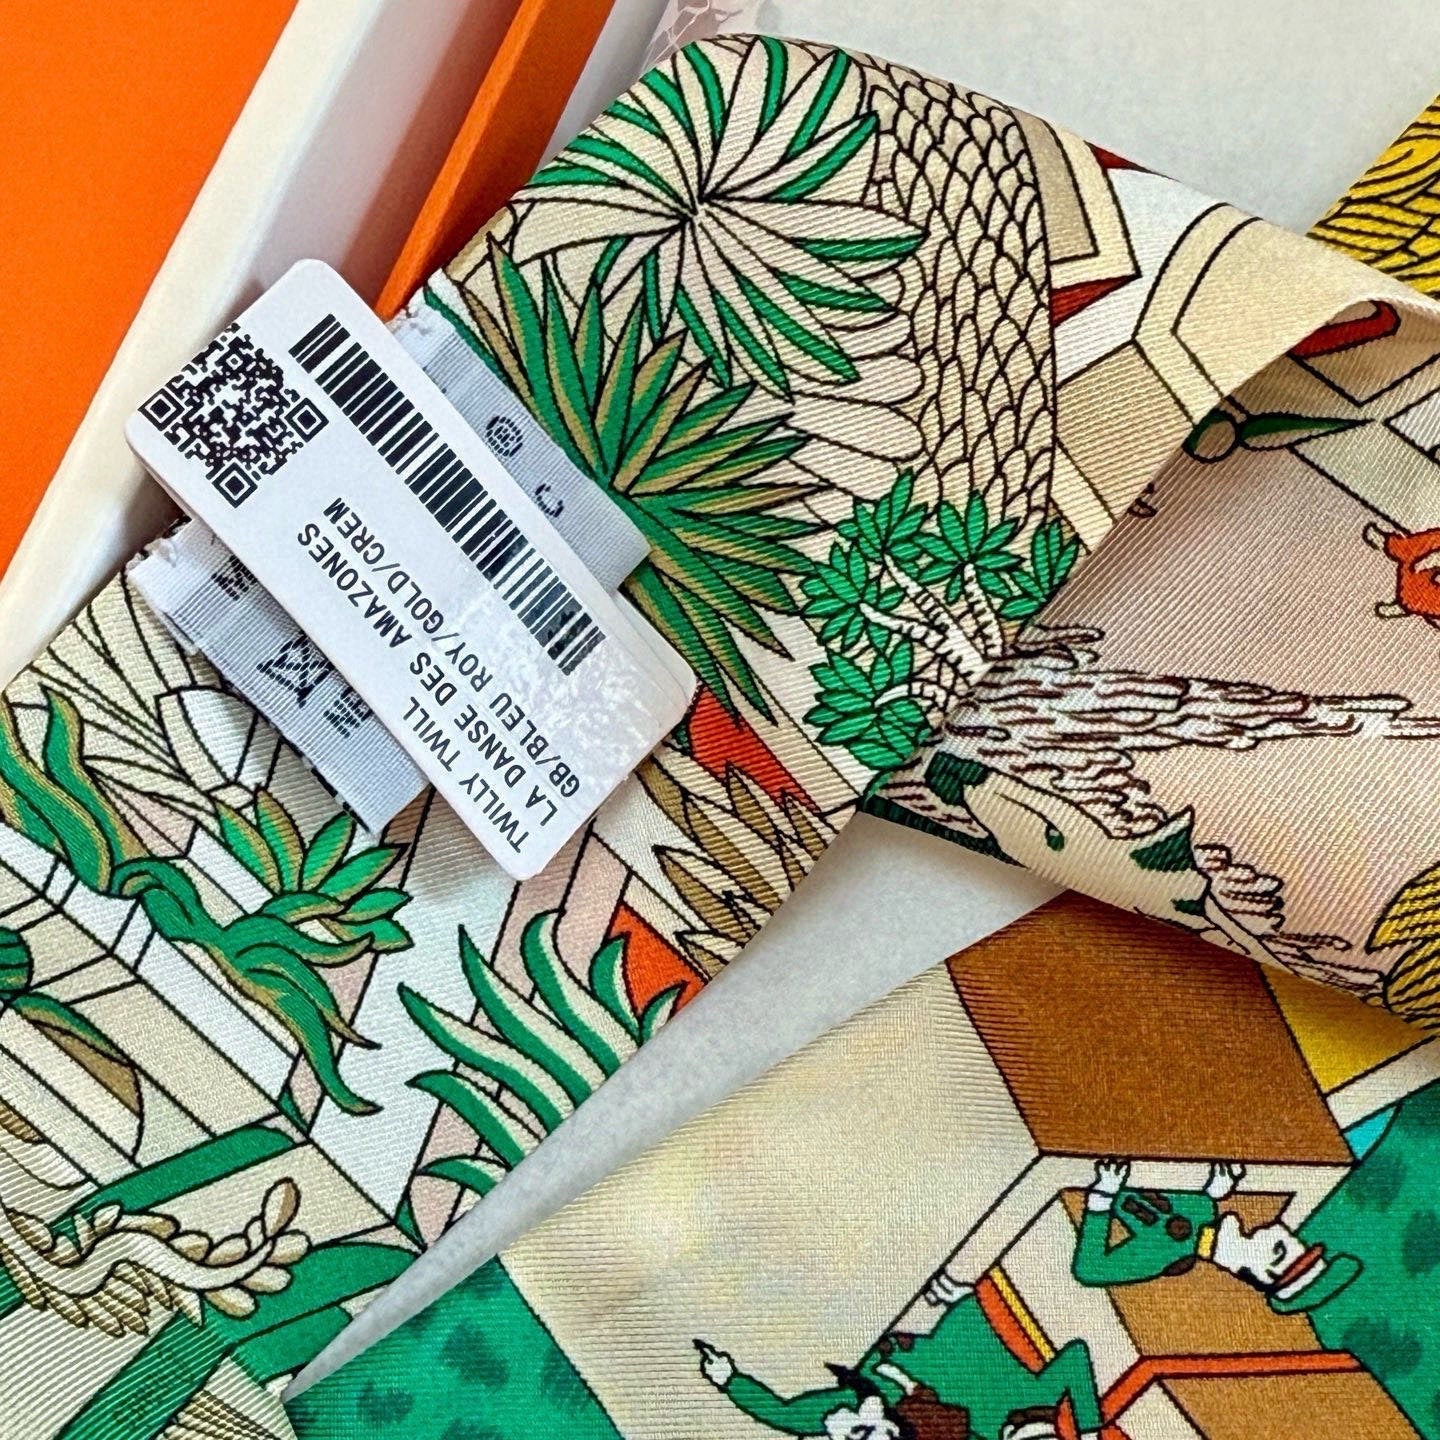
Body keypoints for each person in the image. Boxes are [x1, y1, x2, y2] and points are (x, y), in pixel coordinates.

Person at [695, 1276, 1103, 1440]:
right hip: (953, 1380)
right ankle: (963, 1302)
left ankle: (962, 1304)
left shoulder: (839, 1411)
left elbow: (780, 1413)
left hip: (923, 1363)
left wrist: (727, 1378)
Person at [1070, 1158, 1361, 1315]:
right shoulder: (1205, 1207)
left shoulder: (1164, 1253)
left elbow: (1091, 1269)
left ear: (1264, 1270)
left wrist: (1102, 1196)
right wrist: (1210, 1190)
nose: (1282, 1230)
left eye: (1281, 1248)